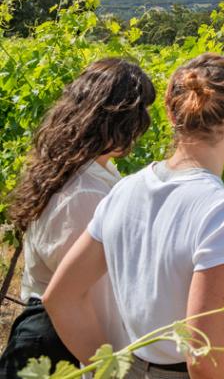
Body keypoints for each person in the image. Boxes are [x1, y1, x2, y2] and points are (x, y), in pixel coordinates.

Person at [44, 53, 224, 379]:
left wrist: (111, 372)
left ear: (169, 110)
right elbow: (204, 358)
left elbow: (60, 297)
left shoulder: (125, 190)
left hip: (135, 367)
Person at [0, 59, 155, 379]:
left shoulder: (81, 169)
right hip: (65, 352)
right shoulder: (83, 194)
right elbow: (80, 300)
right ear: (118, 120)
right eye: (141, 115)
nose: (146, 125)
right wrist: (111, 371)